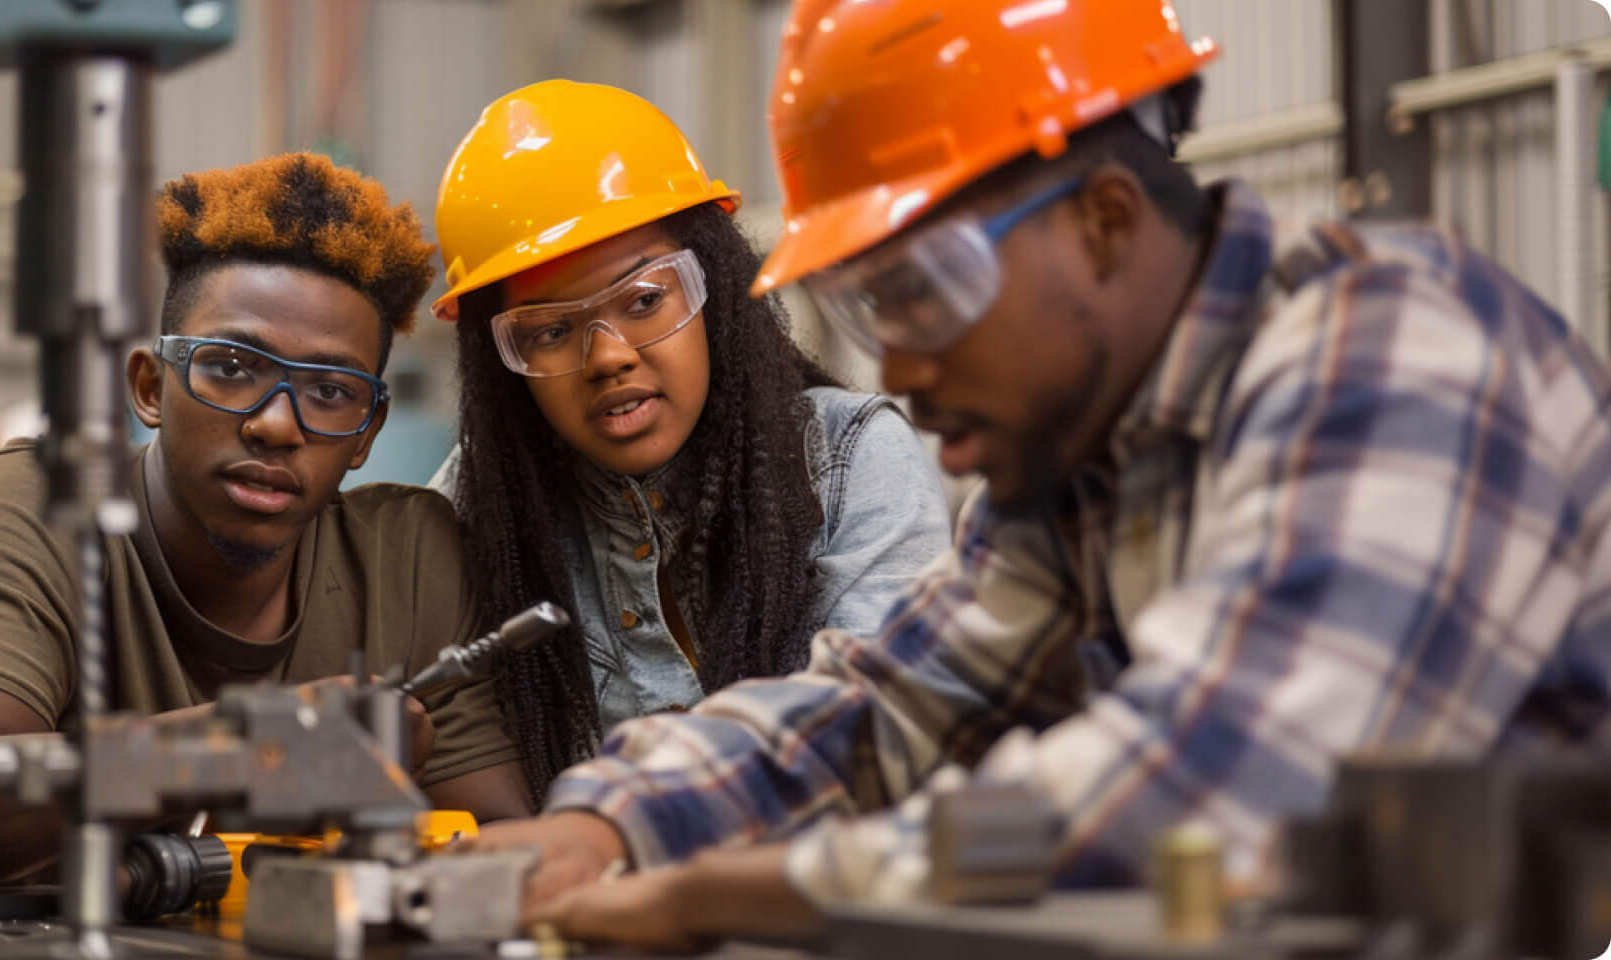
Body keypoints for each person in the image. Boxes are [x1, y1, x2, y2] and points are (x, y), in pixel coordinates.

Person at [473, 0, 1611, 948]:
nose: (900, 368)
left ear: (1107, 220)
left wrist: (740, 892)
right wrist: (614, 824)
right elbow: (893, 709)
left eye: (921, 293)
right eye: (867, 307)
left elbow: (1205, 794)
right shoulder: (1091, 466)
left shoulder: (1399, 360)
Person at [0, 155, 530, 880]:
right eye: (230, 367)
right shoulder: (43, 506)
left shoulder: (408, 559)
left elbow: (501, 848)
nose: (277, 425)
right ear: (150, 388)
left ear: (366, 435)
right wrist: (238, 749)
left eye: (329, 391)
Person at [426, 80, 953, 799]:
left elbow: (875, 735)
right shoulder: (471, 509)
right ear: (501, 366)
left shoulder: (852, 460)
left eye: (645, 300)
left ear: (714, 287)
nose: (608, 354)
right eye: (550, 331)